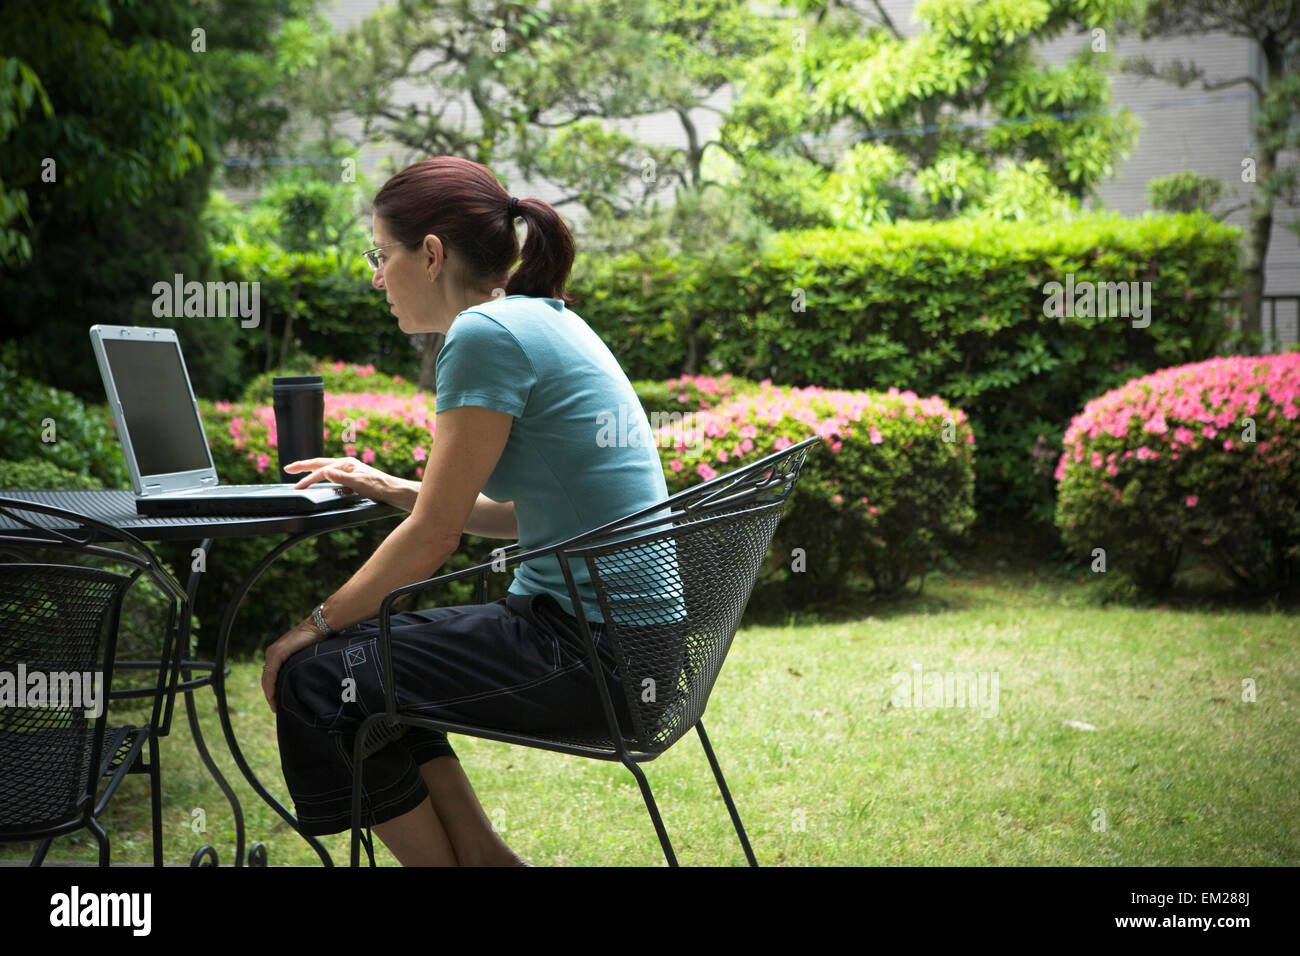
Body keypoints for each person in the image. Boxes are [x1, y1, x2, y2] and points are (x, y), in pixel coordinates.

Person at [259, 156, 680, 866]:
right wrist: (396, 488)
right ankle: (484, 857)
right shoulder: (542, 318)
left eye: (380, 254)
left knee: (317, 678)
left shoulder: (485, 335)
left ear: (429, 254)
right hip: (629, 645)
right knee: (364, 667)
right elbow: (527, 513)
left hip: (593, 656)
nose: (374, 275)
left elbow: (434, 539)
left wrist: (309, 628)